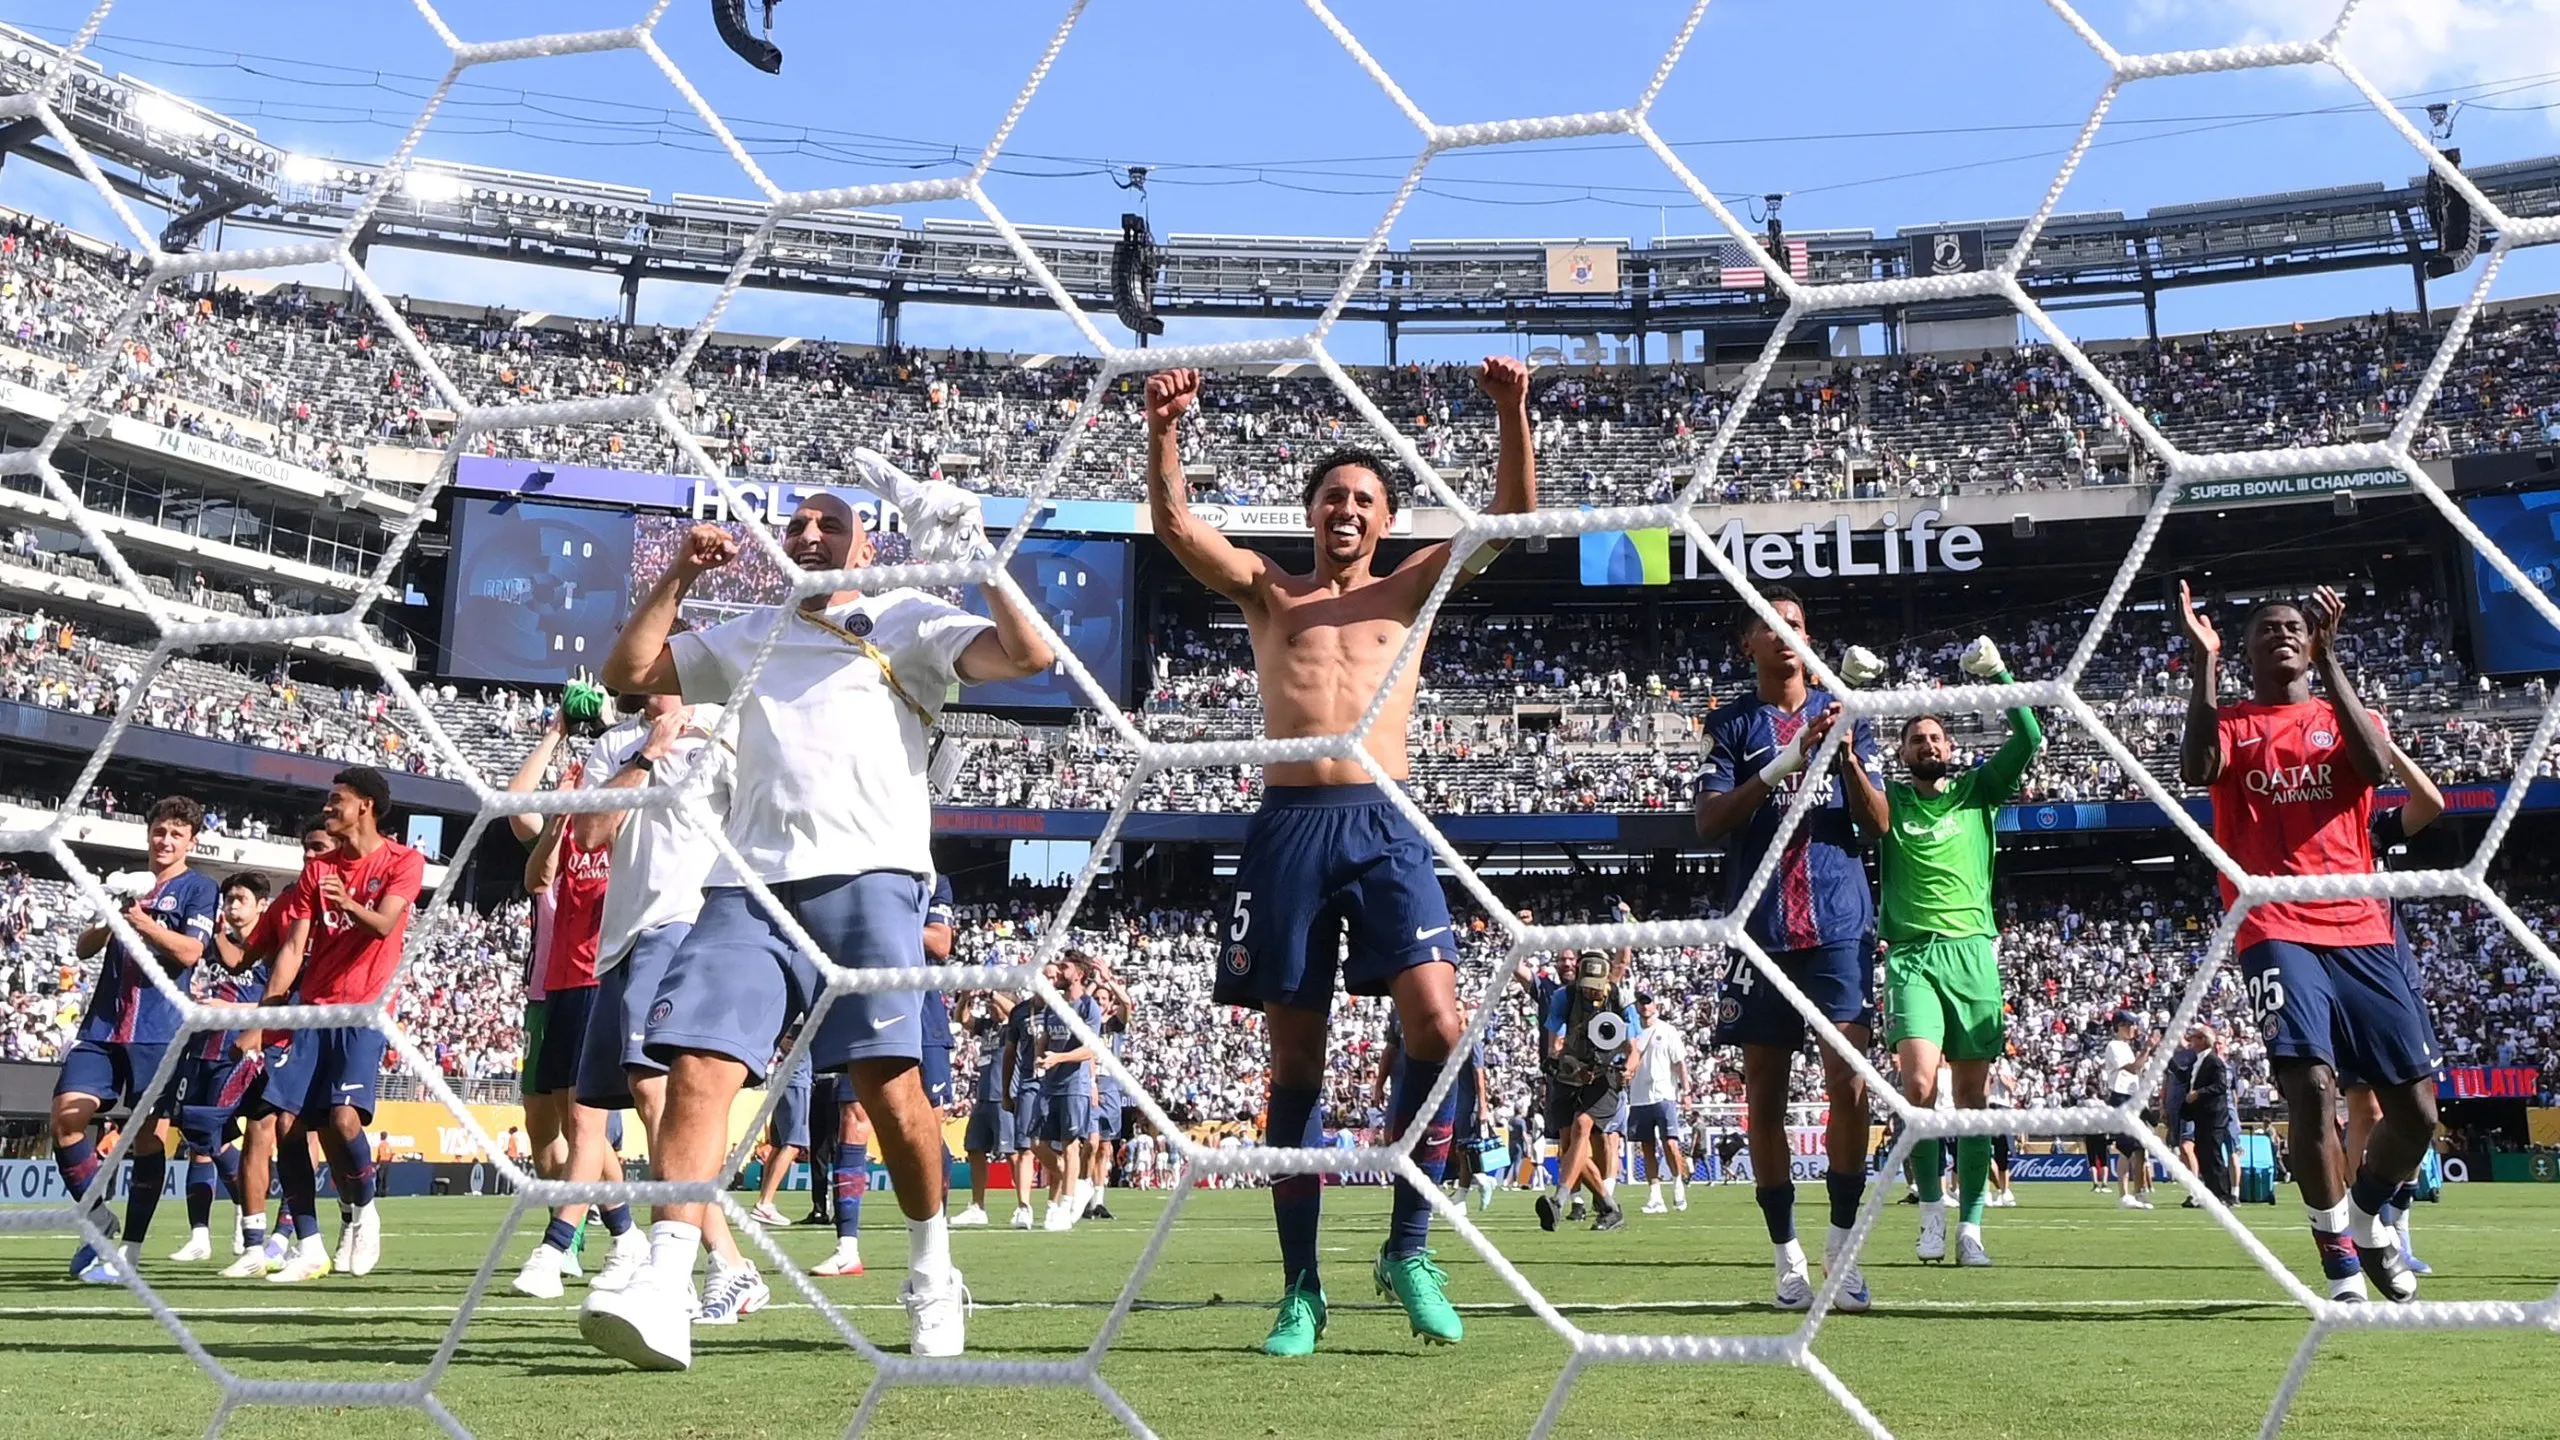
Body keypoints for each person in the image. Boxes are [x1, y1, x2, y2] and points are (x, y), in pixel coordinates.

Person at [583, 488, 1051, 1369]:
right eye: (796, 523)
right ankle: (667, 1281)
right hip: (747, 885)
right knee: (697, 1066)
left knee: (890, 1092)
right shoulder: (749, 633)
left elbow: (1027, 654)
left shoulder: (909, 617)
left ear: (866, 546)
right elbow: (629, 672)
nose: (808, 533)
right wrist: (680, 573)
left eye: (830, 523)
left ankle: (931, 1269)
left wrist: (980, 557)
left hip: (872, 878)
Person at [1145, 356, 1536, 1356]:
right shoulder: (1269, 591)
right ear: (1310, 513)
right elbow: (1177, 529)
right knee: (1296, 1065)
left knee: (1440, 1025)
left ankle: (1409, 1249)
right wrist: (1163, 430)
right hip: (1289, 827)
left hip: (1385, 821)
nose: (1346, 510)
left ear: (1386, 519)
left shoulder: (1408, 591)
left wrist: (1512, 411)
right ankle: (1301, 1290)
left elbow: (1509, 521)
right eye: (1332, 497)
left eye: (1363, 499)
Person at [2178, 580, 2439, 1303]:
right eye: (2267, 628)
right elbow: (2196, 770)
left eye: (2294, 626)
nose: (2283, 634)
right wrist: (2204, 662)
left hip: (2361, 927)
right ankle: (2340, 1262)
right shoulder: (2233, 723)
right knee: (2312, 1087)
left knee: (2417, 1111)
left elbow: (2377, 769)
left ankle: (2369, 1217)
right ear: (2247, 649)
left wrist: (2332, 664)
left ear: (2314, 639)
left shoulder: (2344, 715)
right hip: (2273, 923)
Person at [513, 697, 761, 1316]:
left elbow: (757, 816)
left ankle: (666, 1262)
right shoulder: (616, 743)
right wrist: (646, 755)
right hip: (618, 942)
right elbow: (591, 833)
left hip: (684, 922)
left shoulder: (722, 724)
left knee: (654, 1092)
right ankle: (727, 1264)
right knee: (615, 1101)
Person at [1693, 587, 1881, 1312]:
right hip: (1760, 929)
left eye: (1795, 624)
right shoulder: (1730, 725)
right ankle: (1787, 1258)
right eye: (1769, 625)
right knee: (1764, 1096)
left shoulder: (1847, 714)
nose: (1784, 634)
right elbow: (1709, 820)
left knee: (1850, 1086)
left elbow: (1878, 825)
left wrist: (1844, 758)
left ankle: (1843, 1249)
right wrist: (1785, 764)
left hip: (1838, 925)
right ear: (1747, 644)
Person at [1839, 636, 2041, 1269]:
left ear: (1950, 748)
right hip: (1912, 958)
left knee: (1974, 1101)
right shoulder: (1891, 803)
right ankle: (1931, 1213)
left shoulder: (1977, 791)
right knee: (1920, 1086)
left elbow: (2030, 736)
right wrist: (1852, 701)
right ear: (1902, 754)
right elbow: (1854, 782)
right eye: (1916, 739)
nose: (1927, 744)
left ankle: (1971, 1227)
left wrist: (1999, 673)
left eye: (1935, 738)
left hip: (1973, 954)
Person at [244, 766, 426, 1284]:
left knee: (344, 1122)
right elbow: (293, 947)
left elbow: (386, 924)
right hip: (313, 1009)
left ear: (365, 805)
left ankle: (364, 1213)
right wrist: (269, 1013)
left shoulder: (404, 861)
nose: (328, 807)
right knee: (287, 1124)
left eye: (336, 799)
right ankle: (309, 1244)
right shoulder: (317, 870)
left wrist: (348, 902)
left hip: (365, 1010)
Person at [57, 796, 217, 1282]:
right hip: (104, 1025)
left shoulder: (198, 889)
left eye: (176, 834)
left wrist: (143, 922)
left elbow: (191, 953)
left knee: (149, 1139)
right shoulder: (125, 882)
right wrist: (109, 916)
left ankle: (131, 1249)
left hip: (158, 1031)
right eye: (159, 831)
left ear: (191, 842)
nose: (165, 840)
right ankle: (99, 1221)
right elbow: (84, 948)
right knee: (66, 1118)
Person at [509, 749, 646, 1296]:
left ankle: (563, 1244)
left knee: (583, 1121)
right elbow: (535, 880)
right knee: (567, 1123)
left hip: (599, 977)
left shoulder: (626, 832)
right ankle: (626, 1234)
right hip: (559, 984)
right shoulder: (568, 832)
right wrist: (559, 821)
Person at [219, 819, 329, 1278]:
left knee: (309, 1129)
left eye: (319, 847)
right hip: (280, 1026)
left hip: (322, 1026)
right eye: (306, 847)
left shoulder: (348, 902)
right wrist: (216, 930)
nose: (310, 856)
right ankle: (256, 1243)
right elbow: (242, 958)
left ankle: (315, 1229)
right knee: (261, 1127)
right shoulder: (288, 903)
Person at [168, 872, 270, 1264]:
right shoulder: (210, 945)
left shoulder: (271, 949)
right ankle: (199, 1235)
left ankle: (251, 1210)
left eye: (241, 899)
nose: (232, 906)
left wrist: (232, 1010)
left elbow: (279, 1003)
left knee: (214, 1136)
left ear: (261, 905)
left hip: (244, 1052)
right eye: (228, 899)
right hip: (203, 1049)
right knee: (198, 1143)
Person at [1538, 951, 1637, 1234]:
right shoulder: (1564, 997)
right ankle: (1609, 1207)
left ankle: (1558, 1200)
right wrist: (1569, 1064)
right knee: (1569, 1146)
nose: (1590, 990)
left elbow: (1633, 1050)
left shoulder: (1621, 999)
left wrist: (1628, 1069)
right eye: (1586, 984)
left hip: (1606, 1075)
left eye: (1596, 985)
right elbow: (1554, 1045)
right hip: (1570, 1072)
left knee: (1583, 1126)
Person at [1032, 954, 1103, 1231]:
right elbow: (1046, 1037)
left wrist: (1058, 1059)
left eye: (1065, 967)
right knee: (1035, 1141)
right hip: (1050, 1082)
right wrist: (1040, 1055)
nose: (1059, 971)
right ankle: (1073, 1180)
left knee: (1070, 1143)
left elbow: (1091, 1048)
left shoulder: (1089, 1006)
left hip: (1074, 1084)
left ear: (1079, 975)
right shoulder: (1055, 1005)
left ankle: (1066, 1204)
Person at [952, 990, 1017, 1227]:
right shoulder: (988, 1026)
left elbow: (1014, 1011)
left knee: (1012, 1152)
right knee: (974, 1148)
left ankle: (1023, 1205)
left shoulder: (1014, 1027)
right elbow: (962, 1019)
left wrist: (993, 993)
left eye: (994, 1003)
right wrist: (965, 997)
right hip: (983, 1097)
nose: (990, 1006)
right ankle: (977, 1206)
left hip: (1003, 1097)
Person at [1624, 993, 1693, 1215]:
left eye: (1648, 1002)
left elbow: (1680, 1063)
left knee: (1670, 1143)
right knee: (1646, 1147)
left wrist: (1686, 1091)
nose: (1645, 1006)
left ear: (1656, 1005)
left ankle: (1678, 1183)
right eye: (1641, 1003)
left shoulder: (1667, 1030)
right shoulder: (1632, 1032)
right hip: (1639, 1097)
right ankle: (1655, 1196)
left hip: (1664, 1094)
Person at [750, 1054, 814, 1228]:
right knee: (793, 1144)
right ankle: (765, 1203)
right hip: (795, 1080)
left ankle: (763, 1201)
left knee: (778, 1145)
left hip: (783, 1080)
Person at [2102, 1011, 2155, 1210]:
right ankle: (2124, 1194)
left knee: (2140, 1147)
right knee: (2126, 1148)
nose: (2134, 1029)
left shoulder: (2125, 1047)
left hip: (2133, 1098)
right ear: (2120, 1026)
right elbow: (2133, 1068)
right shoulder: (2114, 1046)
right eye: (2130, 1025)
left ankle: (2139, 1192)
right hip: (2121, 1097)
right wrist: (2147, 1049)